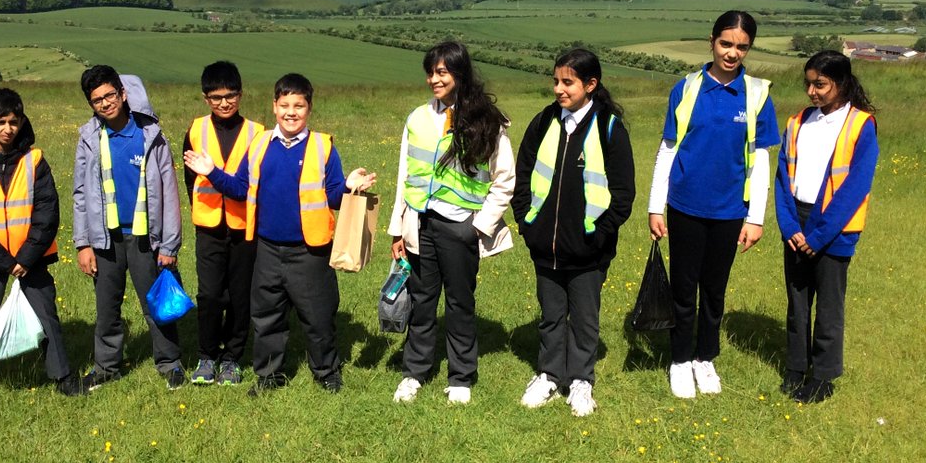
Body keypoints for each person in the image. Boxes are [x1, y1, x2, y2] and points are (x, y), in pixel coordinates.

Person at [184, 73, 375, 395]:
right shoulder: (259, 144)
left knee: (318, 317)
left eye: (298, 106)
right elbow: (241, 189)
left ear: (309, 108)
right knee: (267, 317)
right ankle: (268, 376)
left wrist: (349, 188)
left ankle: (326, 372)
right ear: (274, 107)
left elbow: (330, 196)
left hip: (310, 251)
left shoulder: (323, 146)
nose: (291, 112)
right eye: (284, 104)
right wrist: (212, 173)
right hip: (266, 249)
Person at [647, 11, 780, 399]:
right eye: (726, 43)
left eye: (742, 46)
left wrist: (755, 218)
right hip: (685, 206)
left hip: (730, 212)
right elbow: (667, 151)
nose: (732, 53)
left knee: (715, 291)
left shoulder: (757, 94)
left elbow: (760, 160)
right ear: (712, 41)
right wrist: (657, 207)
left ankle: (706, 357)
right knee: (684, 289)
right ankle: (679, 359)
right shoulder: (686, 89)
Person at [388, 41, 515, 405]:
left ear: (460, 73)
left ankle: (461, 377)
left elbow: (504, 179)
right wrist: (398, 227)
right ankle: (415, 372)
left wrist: (479, 226)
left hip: (461, 226)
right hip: (420, 224)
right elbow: (405, 175)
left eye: (442, 72)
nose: (434, 79)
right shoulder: (416, 118)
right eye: (431, 72)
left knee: (460, 304)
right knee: (421, 302)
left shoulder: (487, 119)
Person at [511, 48, 635, 416]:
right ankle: (549, 374)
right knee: (550, 313)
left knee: (583, 317)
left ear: (591, 84)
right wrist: (526, 222)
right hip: (544, 245)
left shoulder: (609, 127)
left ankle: (581, 380)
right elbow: (524, 174)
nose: (559, 89)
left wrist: (598, 235)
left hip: (588, 251)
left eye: (568, 82)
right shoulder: (544, 121)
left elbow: (623, 194)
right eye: (555, 81)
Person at [0, 88, 81, 396]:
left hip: (33, 259)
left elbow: (48, 212)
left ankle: (63, 377)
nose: (8, 129)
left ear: (21, 121)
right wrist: (4, 261)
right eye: (1, 122)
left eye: (14, 122)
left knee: (47, 317)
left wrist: (25, 258)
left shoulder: (35, 160)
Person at [775, 51, 878, 403]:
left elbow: (854, 188)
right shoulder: (798, 121)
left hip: (834, 228)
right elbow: (782, 178)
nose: (811, 92)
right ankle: (795, 366)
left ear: (842, 83)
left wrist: (819, 236)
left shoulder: (860, 125)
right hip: (798, 223)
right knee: (797, 302)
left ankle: (823, 376)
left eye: (820, 84)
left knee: (829, 307)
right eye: (808, 83)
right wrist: (790, 227)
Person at [73, 65, 183, 392]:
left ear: (123, 94)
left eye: (110, 95)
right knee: (107, 307)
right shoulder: (89, 139)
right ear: (91, 105)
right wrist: (82, 244)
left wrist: (169, 246)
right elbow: (80, 192)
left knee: (156, 304)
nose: (105, 104)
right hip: (104, 238)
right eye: (97, 100)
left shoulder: (150, 136)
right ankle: (106, 367)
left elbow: (170, 192)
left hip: (145, 239)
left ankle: (170, 363)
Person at [181, 61, 263, 387]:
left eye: (230, 96)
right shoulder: (195, 129)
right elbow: (189, 180)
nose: (224, 103)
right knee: (211, 295)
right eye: (216, 97)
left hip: (245, 227)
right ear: (205, 99)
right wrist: (200, 213)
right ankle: (206, 355)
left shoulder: (257, 133)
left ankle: (231, 359)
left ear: (241, 95)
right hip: (209, 228)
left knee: (241, 297)